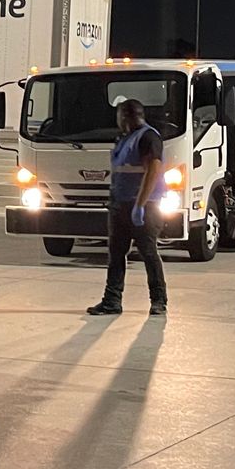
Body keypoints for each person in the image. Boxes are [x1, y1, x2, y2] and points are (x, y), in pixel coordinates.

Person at [87, 97, 168, 317]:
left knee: (148, 252)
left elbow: (153, 171)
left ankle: (159, 301)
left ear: (125, 116)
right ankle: (112, 301)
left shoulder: (148, 138)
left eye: (119, 115)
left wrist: (140, 205)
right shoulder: (125, 139)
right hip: (120, 205)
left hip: (144, 207)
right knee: (116, 254)